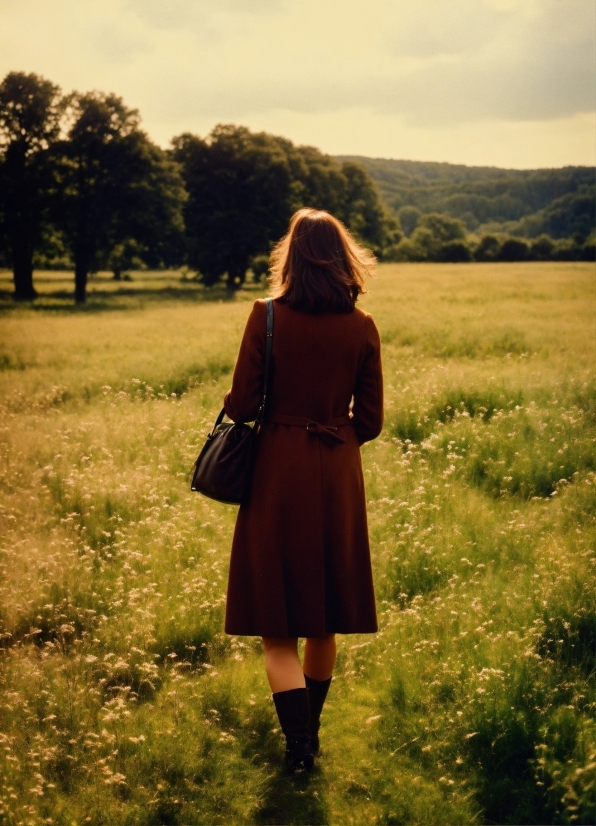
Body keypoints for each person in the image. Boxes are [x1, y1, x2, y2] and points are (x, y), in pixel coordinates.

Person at [223, 208, 384, 771]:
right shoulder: (363, 326)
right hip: (337, 472)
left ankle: (299, 748)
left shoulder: (265, 316)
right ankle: (307, 737)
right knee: (324, 618)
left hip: (276, 472)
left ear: (290, 256)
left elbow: (243, 407)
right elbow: (372, 420)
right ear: (343, 259)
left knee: (276, 624)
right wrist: (332, 436)